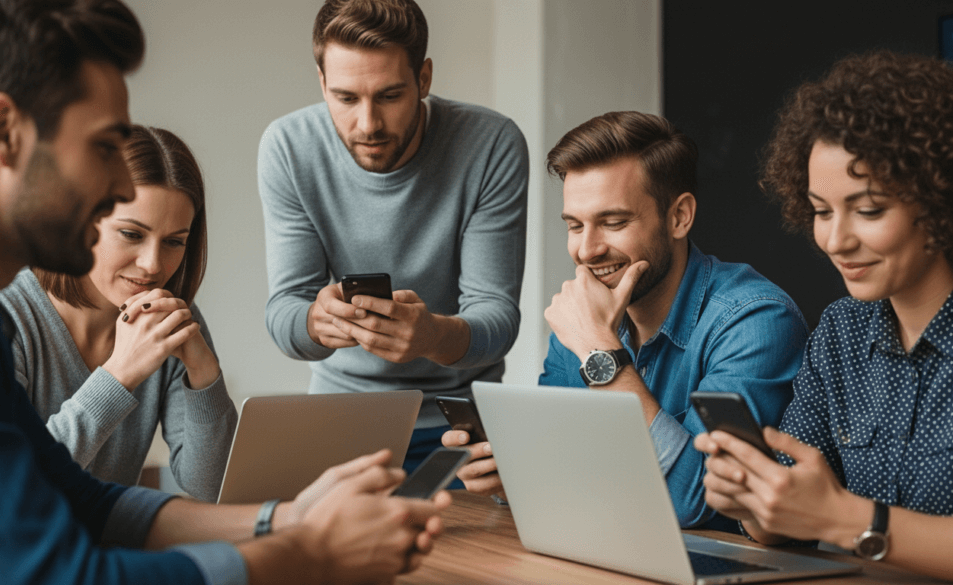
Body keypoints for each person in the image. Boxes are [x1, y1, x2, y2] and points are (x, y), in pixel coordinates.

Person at [0, 1, 447, 584]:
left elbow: (82, 497)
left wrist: (287, 518)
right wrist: (311, 555)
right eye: (104, 147)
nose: (122, 184)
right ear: (2, 132)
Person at [445, 111, 808, 530]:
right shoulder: (583, 318)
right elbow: (568, 471)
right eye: (574, 225)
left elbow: (696, 502)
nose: (587, 250)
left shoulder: (755, 321)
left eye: (613, 222)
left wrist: (602, 351)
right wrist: (513, 476)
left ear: (679, 217)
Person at [695, 51, 953, 580]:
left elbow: (831, 516)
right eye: (821, 211)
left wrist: (847, 519)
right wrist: (755, 501)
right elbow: (788, 513)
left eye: (870, 209)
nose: (836, 241)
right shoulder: (841, 332)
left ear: (938, 199)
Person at [258, 0, 528, 473]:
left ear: (424, 79)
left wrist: (431, 336)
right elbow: (284, 313)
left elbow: (498, 321)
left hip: (459, 421)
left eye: (389, 96)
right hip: (341, 416)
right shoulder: (288, 148)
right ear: (322, 82)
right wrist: (316, 323)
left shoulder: (491, 144)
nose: (368, 125)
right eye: (345, 98)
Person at [0, 125, 236, 502]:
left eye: (174, 242)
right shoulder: (6, 317)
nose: (153, 265)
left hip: (107, 550)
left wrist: (204, 373)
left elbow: (209, 487)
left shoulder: (168, 320)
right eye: (131, 234)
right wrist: (121, 373)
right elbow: (11, 486)